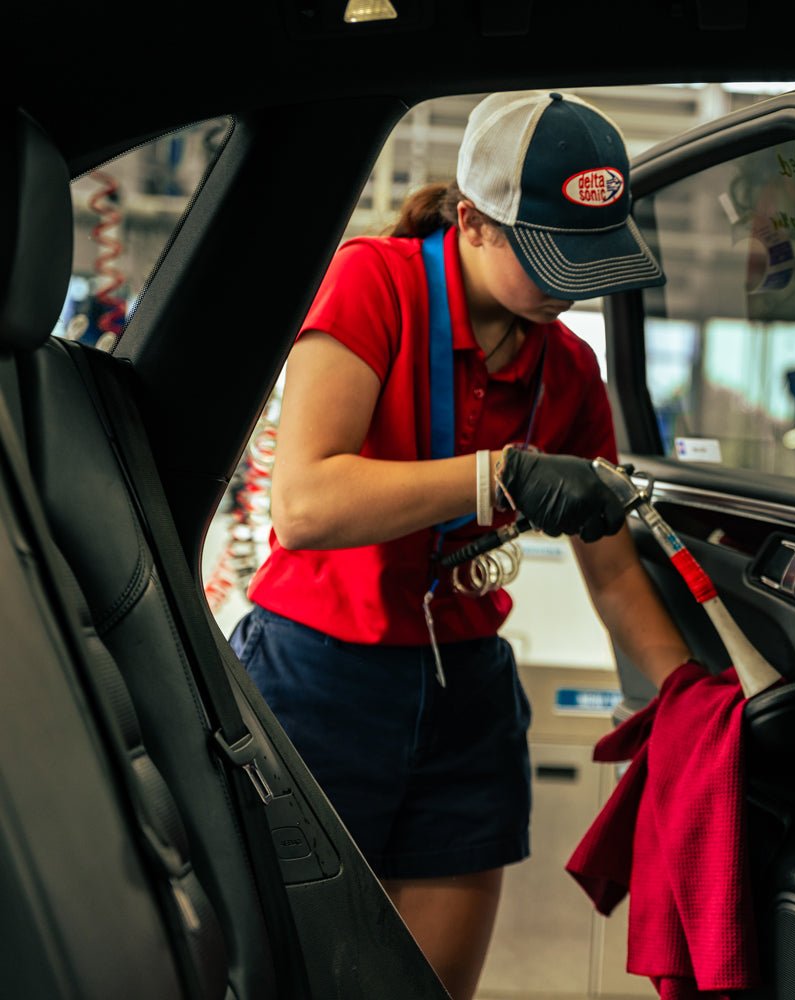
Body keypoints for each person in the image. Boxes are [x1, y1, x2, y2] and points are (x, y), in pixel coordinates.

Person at [229, 89, 693, 1000]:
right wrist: (501, 475)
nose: (572, 287)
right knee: (292, 976)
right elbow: (308, 504)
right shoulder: (378, 284)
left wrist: (689, 702)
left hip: (466, 688)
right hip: (320, 678)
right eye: (552, 254)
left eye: (592, 259)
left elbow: (614, 577)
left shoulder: (570, 370)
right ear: (474, 224)